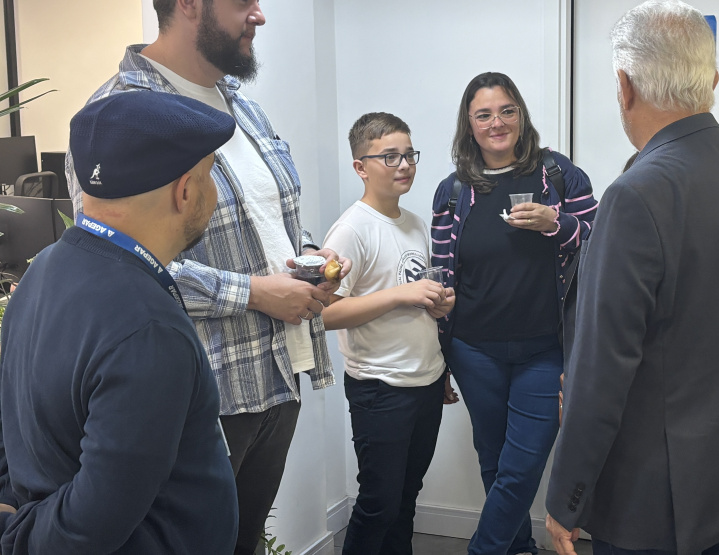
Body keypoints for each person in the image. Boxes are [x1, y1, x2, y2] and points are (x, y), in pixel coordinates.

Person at [64, 2, 349, 553]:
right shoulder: (118, 115)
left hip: (276, 375)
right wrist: (254, 293)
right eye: (243, 1)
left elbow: (268, 222)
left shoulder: (244, 109)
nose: (259, 16)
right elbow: (112, 256)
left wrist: (311, 260)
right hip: (203, 388)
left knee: (242, 543)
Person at [544, 2, 719, 554]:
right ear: (713, 81)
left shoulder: (636, 195)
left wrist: (567, 495)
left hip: (651, 491)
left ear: (624, 86)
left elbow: (603, 366)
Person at [0, 91, 238, 553]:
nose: (214, 194)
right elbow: (89, 525)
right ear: (184, 189)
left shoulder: (44, 268)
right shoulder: (148, 328)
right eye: (210, 177)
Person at [430, 71, 598, 555]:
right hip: (473, 350)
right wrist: (442, 356)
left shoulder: (559, 175)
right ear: (469, 123)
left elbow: (602, 246)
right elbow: (442, 277)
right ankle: (517, 548)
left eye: (507, 110)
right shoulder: (453, 190)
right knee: (494, 458)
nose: (497, 122)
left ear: (521, 115)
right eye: (484, 114)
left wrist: (556, 222)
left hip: (544, 349)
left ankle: (483, 549)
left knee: (523, 464)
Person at [321, 112, 457, 555]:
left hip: (426, 380)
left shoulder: (415, 223)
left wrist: (437, 303)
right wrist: (401, 295)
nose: (404, 165)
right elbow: (324, 313)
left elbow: (417, 297)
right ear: (361, 166)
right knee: (378, 505)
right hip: (380, 387)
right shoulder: (351, 230)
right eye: (390, 157)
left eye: (409, 155)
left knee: (405, 499)